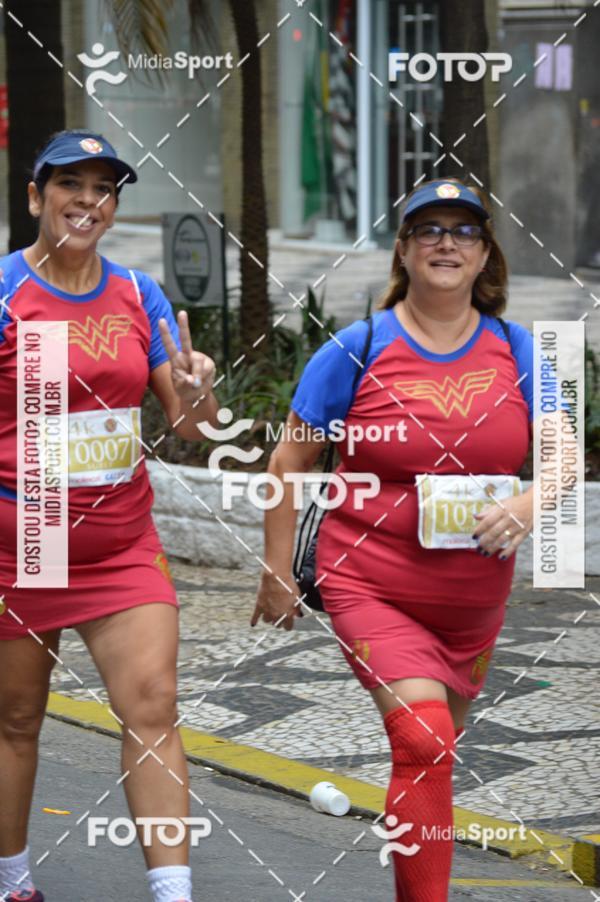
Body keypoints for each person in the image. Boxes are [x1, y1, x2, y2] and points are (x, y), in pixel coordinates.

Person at [253, 178, 536, 901]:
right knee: (422, 740)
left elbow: (562, 454)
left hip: (473, 598)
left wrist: (533, 501)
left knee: (435, 754)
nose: (447, 241)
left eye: (464, 231)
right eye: (429, 230)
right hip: (369, 579)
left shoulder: (521, 348)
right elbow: (289, 461)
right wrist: (277, 572)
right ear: (404, 251)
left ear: (484, 256)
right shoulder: (358, 347)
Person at [0, 130, 218, 902]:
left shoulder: (137, 294)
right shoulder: (3, 293)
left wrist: (195, 384)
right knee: (18, 719)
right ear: (36, 197)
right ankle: (13, 878)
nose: (87, 202)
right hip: (27, 539)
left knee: (154, 703)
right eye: (71, 186)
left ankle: (172, 892)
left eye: (103, 189)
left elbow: (190, 424)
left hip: (122, 538)